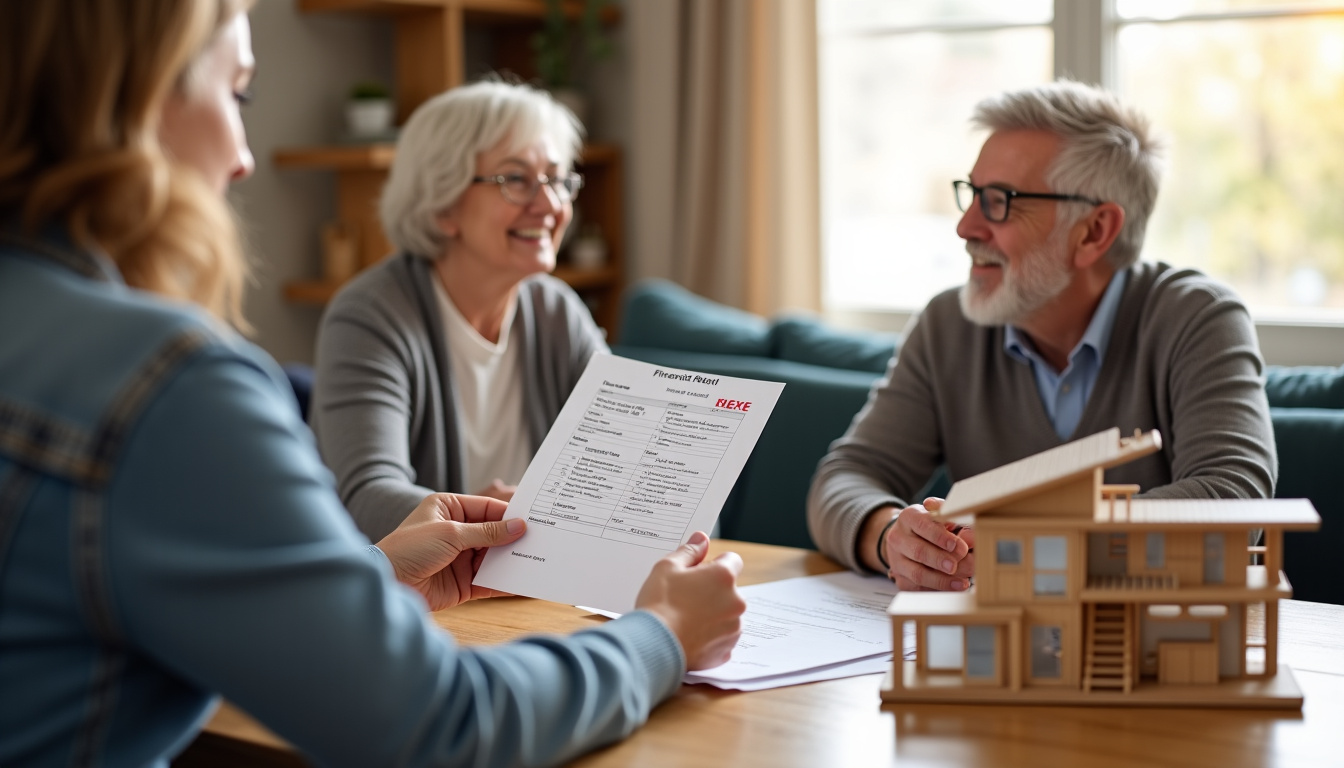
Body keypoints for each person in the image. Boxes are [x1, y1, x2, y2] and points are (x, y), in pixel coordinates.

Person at [0, 2, 745, 766]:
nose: (245, 156)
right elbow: (440, 725)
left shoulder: (554, 310)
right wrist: (661, 637)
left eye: (557, 180)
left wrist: (376, 578)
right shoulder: (170, 390)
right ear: (135, 102)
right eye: (239, 93)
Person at [806, 80, 1276, 592]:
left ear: (1094, 231)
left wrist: (1027, 544)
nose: (965, 227)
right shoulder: (948, 325)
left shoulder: (1197, 317)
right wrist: (891, 536)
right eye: (971, 194)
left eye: (999, 201)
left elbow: (1234, 500)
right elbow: (846, 476)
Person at [310, 79, 606, 540]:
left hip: (531, 589)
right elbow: (365, 498)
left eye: (557, 179)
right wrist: (488, 515)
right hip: (422, 599)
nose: (550, 204)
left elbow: (631, 461)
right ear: (442, 205)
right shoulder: (369, 315)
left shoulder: (558, 313)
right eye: (516, 180)